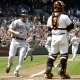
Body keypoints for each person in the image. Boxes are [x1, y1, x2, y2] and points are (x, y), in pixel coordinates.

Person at [44, 0, 74, 79]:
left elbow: (49, 28)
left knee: (53, 55)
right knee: (64, 55)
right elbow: (71, 26)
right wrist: (65, 29)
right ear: (60, 7)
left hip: (54, 37)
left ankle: (47, 73)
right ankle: (62, 73)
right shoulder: (64, 16)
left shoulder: (50, 17)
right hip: (62, 36)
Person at [6, 11, 30, 77]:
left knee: (22, 56)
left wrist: (28, 38)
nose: (24, 17)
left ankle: (16, 71)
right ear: (21, 16)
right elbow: (9, 29)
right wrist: (15, 32)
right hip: (15, 40)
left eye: (25, 16)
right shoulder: (16, 22)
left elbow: (27, 33)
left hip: (23, 42)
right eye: (23, 16)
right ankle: (9, 65)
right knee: (11, 56)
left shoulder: (28, 24)